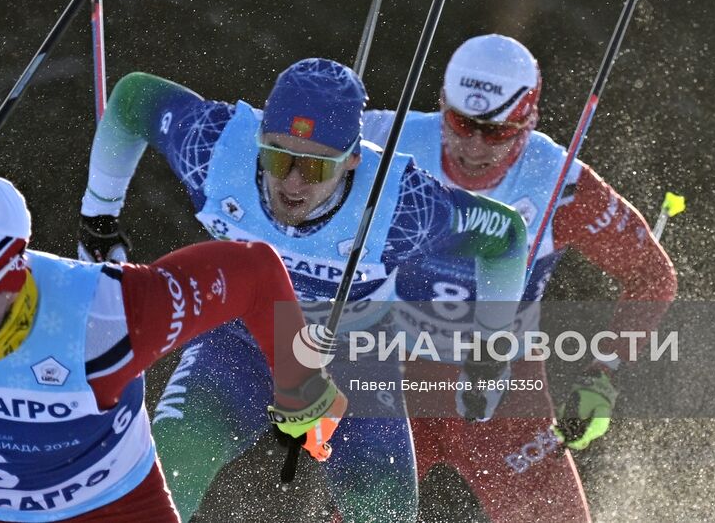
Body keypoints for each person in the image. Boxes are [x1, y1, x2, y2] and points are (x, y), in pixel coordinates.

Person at [77, 58, 529, 523]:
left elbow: (507, 236)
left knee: (385, 513)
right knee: (165, 473)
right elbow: (133, 97)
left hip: (350, 355)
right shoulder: (214, 147)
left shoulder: (403, 206)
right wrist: (99, 217)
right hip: (237, 343)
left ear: (353, 159)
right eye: (276, 156)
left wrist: (489, 350)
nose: (291, 183)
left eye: (315, 168)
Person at [0, 142, 346, 523]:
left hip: (111, 505)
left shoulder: (107, 317)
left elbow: (253, 271)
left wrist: (299, 383)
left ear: (12, 280)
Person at [362, 34, 678, 523]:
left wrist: (603, 374)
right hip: (394, 373)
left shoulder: (560, 182)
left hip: (502, 388)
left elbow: (651, 275)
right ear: (442, 105)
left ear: (528, 123)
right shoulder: (384, 138)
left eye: (497, 133)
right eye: (462, 123)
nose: (473, 146)